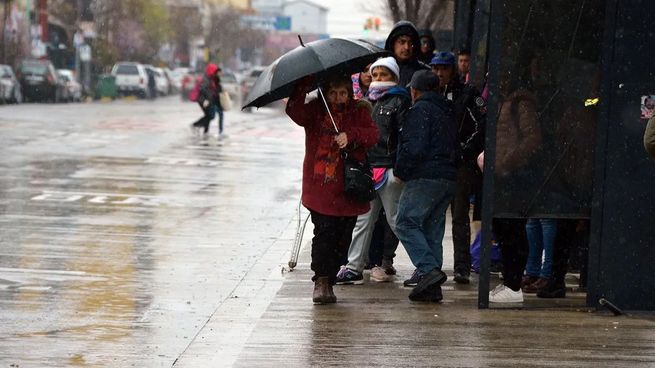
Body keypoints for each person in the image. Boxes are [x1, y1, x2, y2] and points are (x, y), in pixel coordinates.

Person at [286, 74, 379, 304]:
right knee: (324, 234)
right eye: (333, 93)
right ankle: (322, 280)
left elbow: (373, 135)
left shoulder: (359, 111)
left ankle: (331, 275)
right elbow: (294, 112)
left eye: (343, 93)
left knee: (342, 238)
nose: (338, 98)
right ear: (325, 93)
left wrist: (352, 136)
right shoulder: (316, 111)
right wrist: (302, 87)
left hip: (348, 189)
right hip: (321, 188)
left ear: (350, 92)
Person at [403, 51, 485, 287]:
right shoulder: (432, 96)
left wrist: (463, 149)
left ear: (454, 70)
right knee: (434, 221)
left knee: (459, 217)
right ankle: (431, 269)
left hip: (459, 165)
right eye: (436, 69)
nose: (440, 73)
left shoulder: (467, 93)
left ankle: (460, 267)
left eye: (444, 69)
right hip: (440, 164)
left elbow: (482, 124)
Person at [335, 57, 411, 285]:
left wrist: (399, 167)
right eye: (375, 75)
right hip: (369, 170)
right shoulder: (367, 102)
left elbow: (404, 137)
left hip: (389, 170)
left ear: (394, 77)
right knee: (363, 220)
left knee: (397, 220)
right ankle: (353, 267)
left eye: (383, 75)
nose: (378, 79)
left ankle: (425, 266)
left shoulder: (400, 101)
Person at [394, 70, 458, 302]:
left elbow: (415, 147)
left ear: (414, 90)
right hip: (448, 177)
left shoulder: (420, 110)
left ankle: (429, 270)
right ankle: (431, 287)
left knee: (405, 222)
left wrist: (401, 170)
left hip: (426, 176)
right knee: (432, 228)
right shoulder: (448, 110)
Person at [384, 21, 429, 87]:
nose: (407, 47)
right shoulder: (381, 70)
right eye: (402, 42)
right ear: (392, 44)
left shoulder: (424, 72)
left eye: (411, 43)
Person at [191, 63, 225, 136]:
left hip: (209, 100)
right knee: (210, 115)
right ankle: (196, 125)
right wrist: (207, 99)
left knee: (209, 115)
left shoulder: (212, 78)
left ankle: (205, 131)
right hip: (203, 100)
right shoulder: (206, 79)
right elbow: (203, 89)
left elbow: (216, 89)